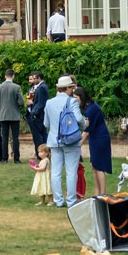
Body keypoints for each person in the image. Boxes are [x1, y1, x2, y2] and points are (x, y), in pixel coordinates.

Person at [45, 75, 84, 208]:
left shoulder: (49, 102)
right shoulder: (71, 101)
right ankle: (71, 201)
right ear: (68, 88)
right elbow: (79, 119)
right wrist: (85, 124)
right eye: (72, 87)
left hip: (54, 140)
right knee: (71, 171)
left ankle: (58, 200)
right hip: (70, 140)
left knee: (55, 171)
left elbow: (46, 123)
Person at [82, 86, 112, 195]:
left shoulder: (91, 109)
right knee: (94, 166)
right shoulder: (89, 107)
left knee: (99, 167)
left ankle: (102, 194)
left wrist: (77, 145)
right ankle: (97, 192)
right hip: (95, 139)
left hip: (100, 139)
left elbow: (87, 130)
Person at [0, 70, 24, 163]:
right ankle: (16, 158)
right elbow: (21, 102)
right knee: (15, 137)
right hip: (14, 115)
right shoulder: (17, 87)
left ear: (5, 75)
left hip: (3, 114)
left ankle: (4, 158)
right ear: (13, 76)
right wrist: (17, 105)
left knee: (4, 137)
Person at [25, 72, 50, 156]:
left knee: (39, 137)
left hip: (38, 116)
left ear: (39, 78)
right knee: (39, 136)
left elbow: (41, 103)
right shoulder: (35, 88)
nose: (33, 80)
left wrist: (33, 113)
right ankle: (41, 153)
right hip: (35, 114)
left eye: (34, 78)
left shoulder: (42, 88)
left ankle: (41, 154)